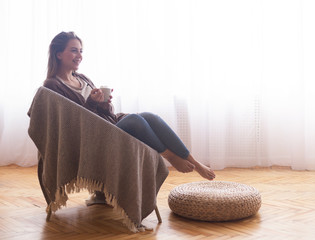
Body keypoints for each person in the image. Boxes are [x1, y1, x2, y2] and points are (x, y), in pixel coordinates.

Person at [44, 32, 216, 199]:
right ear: (59, 54)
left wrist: (103, 103)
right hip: (90, 138)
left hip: (106, 125)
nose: (79, 55)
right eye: (74, 50)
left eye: (81, 51)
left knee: (150, 117)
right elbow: (70, 122)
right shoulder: (53, 85)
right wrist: (92, 102)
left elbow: (105, 113)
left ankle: (194, 161)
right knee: (134, 121)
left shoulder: (82, 78)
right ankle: (170, 156)